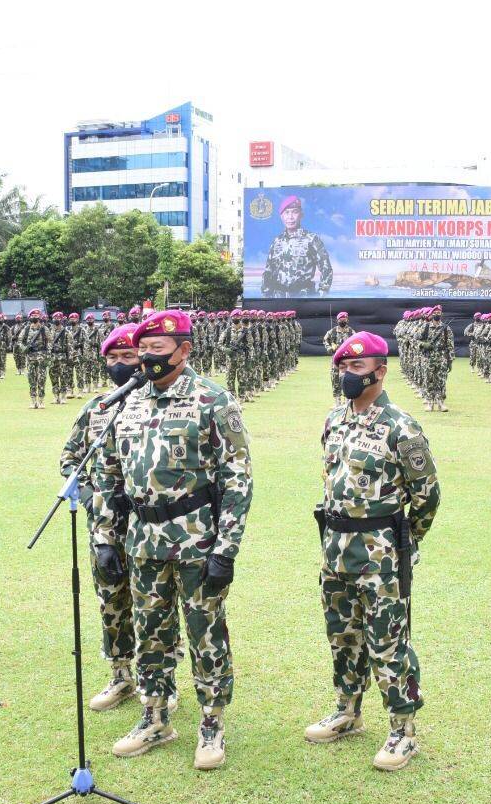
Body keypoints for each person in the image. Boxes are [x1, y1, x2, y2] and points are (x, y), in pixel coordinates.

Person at [91, 309, 252, 771]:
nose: (146, 359)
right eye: (142, 351)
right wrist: (105, 536)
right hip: (142, 538)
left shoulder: (213, 401)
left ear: (185, 349)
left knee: (205, 630)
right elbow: (107, 472)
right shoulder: (130, 401)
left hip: (196, 539)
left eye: (157, 351)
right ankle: (155, 716)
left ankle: (211, 723)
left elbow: (237, 478)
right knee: (151, 633)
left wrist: (227, 548)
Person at [306, 330, 439, 772]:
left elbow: (427, 497)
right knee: (343, 636)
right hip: (336, 550)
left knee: (387, 642)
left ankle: (403, 730)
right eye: (342, 367)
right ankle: (347, 710)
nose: (347, 374)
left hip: (381, 554)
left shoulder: (402, 427)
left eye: (356, 368)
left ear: (381, 371)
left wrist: (404, 542)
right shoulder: (334, 420)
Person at [59, 322, 152, 712]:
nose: (119, 365)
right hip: (104, 529)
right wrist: (92, 499)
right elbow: (70, 459)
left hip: (151, 526)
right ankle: (120, 676)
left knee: (152, 604)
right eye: (112, 359)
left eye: (126, 357)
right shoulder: (97, 409)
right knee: (112, 601)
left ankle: (158, 680)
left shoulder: (158, 404)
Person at [261, 195, 333, 297]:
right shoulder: (277, 241)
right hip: (278, 298)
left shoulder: (311, 239)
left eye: (294, 212)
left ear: (301, 215)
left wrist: (321, 294)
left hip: (304, 298)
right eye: (287, 213)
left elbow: (326, 269)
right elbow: (268, 271)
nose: (290, 217)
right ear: (282, 216)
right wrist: (266, 296)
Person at [17, 308, 50, 408]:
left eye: (36, 316)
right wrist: (25, 348)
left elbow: (50, 343)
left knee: (41, 379)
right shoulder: (26, 329)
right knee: (32, 379)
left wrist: (48, 356)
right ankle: (33, 401)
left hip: (41, 357)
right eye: (33, 316)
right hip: (30, 357)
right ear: (30, 317)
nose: (35, 317)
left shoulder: (45, 329)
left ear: (39, 317)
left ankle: (41, 401)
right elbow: (19, 342)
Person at [322, 311, 355, 403]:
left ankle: (348, 400)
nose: (343, 321)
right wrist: (329, 348)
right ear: (337, 320)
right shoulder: (332, 331)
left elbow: (356, 342)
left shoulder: (351, 332)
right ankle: (337, 401)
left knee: (348, 378)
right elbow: (325, 340)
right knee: (335, 377)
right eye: (341, 319)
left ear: (347, 320)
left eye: (344, 319)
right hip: (336, 359)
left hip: (348, 360)